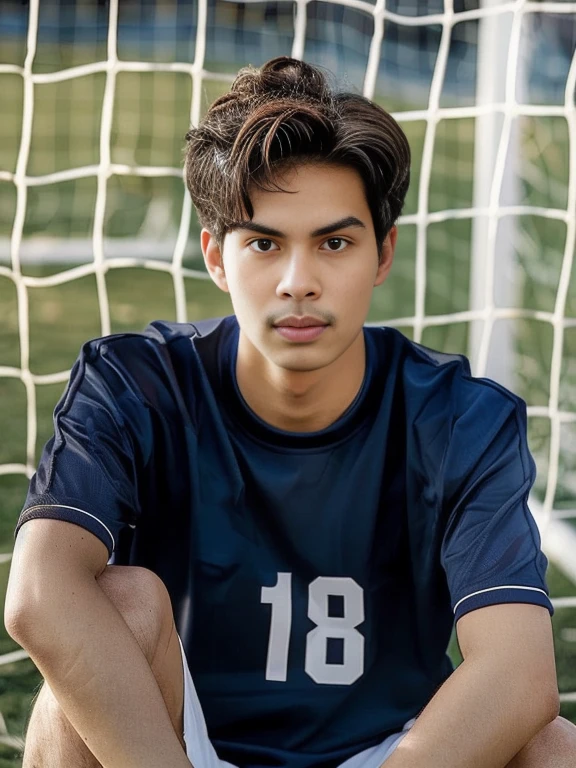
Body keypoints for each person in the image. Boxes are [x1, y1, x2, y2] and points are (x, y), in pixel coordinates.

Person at [4, 56, 576, 768]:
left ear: (383, 252)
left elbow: (521, 676)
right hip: (176, 745)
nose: (299, 282)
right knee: (113, 613)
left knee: (553, 748)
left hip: (388, 755)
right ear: (216, 256)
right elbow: (37, 596)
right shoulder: (134, 384)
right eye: (264, 244)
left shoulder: (460, 419)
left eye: (335, 243)